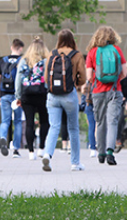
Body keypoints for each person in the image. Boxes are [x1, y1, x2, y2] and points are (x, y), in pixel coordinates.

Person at [39, 29, 86, 172]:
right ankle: (75, 163)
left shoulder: (51, 54)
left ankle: (47, 153)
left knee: (54, 127)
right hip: (69, 95)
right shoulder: (76, 55)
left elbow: (46, 77)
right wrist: (74, 84)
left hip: (53, 96)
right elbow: (83, 78)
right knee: (73, 128)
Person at [85, 25, 127, 165]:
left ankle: (101, 153)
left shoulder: (92, 52)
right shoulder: (117, 50)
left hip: (98, 91)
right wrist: (115, 80)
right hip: (115, 91)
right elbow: (125, 73)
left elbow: (89, 75)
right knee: (112, 121)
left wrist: (98, 82)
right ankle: (110, 152)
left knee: (100, 122)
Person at [15, 37, 52, 160]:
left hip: (27, 95)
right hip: (42, 94)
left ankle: (31, 152)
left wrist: (18, 96)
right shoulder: (47, 61)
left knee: (29, 123)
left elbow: (18, 80)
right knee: (44, 121)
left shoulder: (24, 61)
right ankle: (41, 148)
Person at [0, 39, 25, 157]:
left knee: (5, 121)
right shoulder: (22, 61)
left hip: (4, 95)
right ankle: (16, 150)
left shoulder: (3, 61)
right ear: (21, 49)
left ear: (11, 47)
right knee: (17, 121)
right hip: (18, 96)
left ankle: (3, 137)